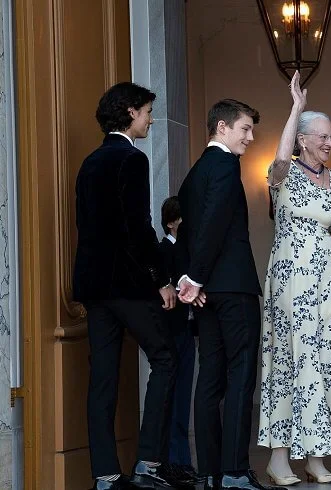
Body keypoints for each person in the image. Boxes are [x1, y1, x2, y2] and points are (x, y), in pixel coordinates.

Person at [73, 82, 182, 490]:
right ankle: (148, 465)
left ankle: (105, 476)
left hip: (93, 286)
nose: (151, 118)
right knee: (167, 358)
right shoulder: (131, 160)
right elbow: (136, 228)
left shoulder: (89, 162)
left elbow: (88, 228)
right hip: (127, 283)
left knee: (103, 377)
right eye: (148, 111)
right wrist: (162, 281)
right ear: (131, 112)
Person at [176, 99, 282, 490]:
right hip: (232, 288)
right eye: (245, 130)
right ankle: (235, 472)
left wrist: (190, 279)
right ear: (222, 127)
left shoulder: (194, 173)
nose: (251, 138)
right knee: (239, 378)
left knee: (210, 382)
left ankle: (209, 473)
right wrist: (196, 279)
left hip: (207, 293)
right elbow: (215, 225)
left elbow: (186, 233)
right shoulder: (223, 165)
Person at [258, 71, 331, 486]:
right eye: (322, 137)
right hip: (291, 283)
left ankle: (316, 457)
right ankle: (279, 459)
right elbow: (279, 162)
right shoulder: (282, 176)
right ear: (302, 140)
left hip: (329, 282)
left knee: (325, 363)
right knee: (288, 362)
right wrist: (296, 107)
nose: (330, 143)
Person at [158, 196, 202, 487]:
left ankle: (182, 461)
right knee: (171, 398)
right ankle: (172, 463)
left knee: (183, 396)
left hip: (188, 331)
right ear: (173, 222)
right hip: (170, 333)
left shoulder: (188, 250)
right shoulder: (161, 252)